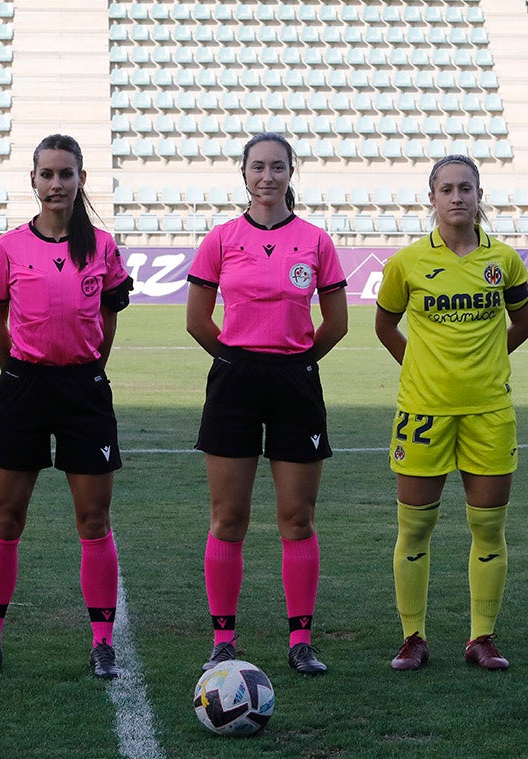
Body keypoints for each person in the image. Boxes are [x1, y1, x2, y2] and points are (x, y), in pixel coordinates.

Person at [0, 134, 134, 679]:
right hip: (23, 388)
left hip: (84, 390)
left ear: (81, 179)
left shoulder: (104, 247)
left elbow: (108, 318)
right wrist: (16, 370)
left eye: (66, 174)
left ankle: (103, 641)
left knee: (93, 519)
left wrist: (90, 367)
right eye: (47, 175)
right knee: (6, 518)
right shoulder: (10, 247)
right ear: (33, 182)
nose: (56, 184)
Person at [185, 132, 348, 676]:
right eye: (258, 167)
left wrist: (296, 359)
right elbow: (197, 320)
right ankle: (223, 639)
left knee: (296, 519)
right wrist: (237, 359)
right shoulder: (222, 239)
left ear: (290, 173)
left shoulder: (316, 241)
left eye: (278, 167)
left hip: (295, 384)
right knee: (228, 518)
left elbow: (337, 323)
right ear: (244, 174)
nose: (268, 177)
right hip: (234, 382)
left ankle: (300, 639)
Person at [374, 154, 528, 672]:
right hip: (423, 413)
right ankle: (412, 637)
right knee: (414, 529)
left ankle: (482, 637)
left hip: (489, 411)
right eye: (447, 189)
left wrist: (485, 366)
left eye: (466, 187)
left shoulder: (505, 261)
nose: (457, 197)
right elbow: (385, 326)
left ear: (479, 194)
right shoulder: (407, 263)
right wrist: (422, 369)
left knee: (488, 529)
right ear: (433, 198)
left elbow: (523, 325)